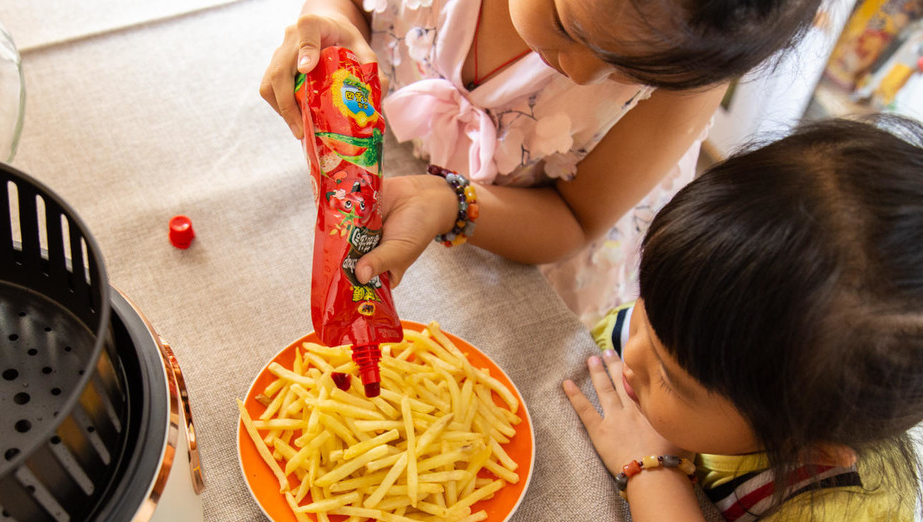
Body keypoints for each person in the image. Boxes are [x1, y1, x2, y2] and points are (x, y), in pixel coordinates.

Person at [563, 116, 923, 522]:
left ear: (810, 443)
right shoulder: (704, 320)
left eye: (674, 383)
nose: (632, 354)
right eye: (649, 312)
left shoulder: (848, 501)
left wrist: (651, 468)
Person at [260, 0, 822, 325]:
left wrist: (448, 201)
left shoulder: (690, 79)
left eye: (635, 72)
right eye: (570, 28)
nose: (579, 74)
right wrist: (330, 22)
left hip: (532, 227)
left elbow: (574, 219)